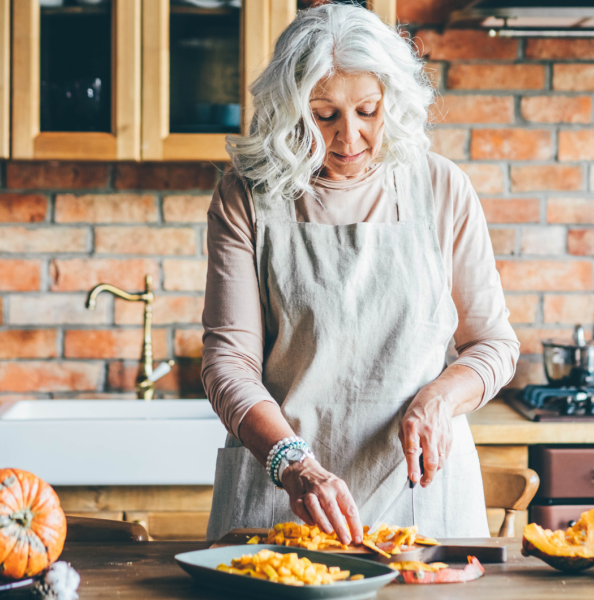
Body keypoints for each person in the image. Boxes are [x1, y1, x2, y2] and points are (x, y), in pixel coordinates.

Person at [202, 3, 519, 544]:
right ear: (290, 110)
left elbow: (493, 344)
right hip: (287, 493)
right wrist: (294, 464)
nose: (349, 138)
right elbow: (229, 362)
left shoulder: (441, 189)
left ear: (392, 101)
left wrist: (438, 398)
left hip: (424, 500)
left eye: (368, 111)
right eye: (324, 115)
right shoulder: (246, 197)